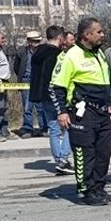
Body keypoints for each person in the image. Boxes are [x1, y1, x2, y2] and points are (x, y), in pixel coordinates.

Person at [49, 17, 111, 206]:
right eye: (99, 32)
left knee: (103, 153)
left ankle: (98, 188)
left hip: (102, 113)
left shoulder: (99, 54)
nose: (103, 35)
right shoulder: (70, 55)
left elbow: (105, 83)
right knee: (85, 153)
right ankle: (85, 191)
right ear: (87, 35)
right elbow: (56, 86)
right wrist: (62, 112)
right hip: (82, 112)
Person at [30, 25, 71, 174]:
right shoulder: (56, 55)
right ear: (60, 38)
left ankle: (58, 160)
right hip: (56, 95)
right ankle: (64, 159)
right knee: (69, 127)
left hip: (42, 95)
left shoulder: (37, 52)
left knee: (53, 128)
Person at [13, 31, 45, 138]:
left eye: (38, 41)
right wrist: (21, 77)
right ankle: (27, 129)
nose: (37, 43)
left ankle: (43, 128)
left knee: (41, 107)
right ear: (29, 41)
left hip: (39, 82)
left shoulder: (43, 51)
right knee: (27, 107)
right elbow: (16, 67)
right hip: (26, 81)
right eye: (35, 41)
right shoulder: (22, 52)